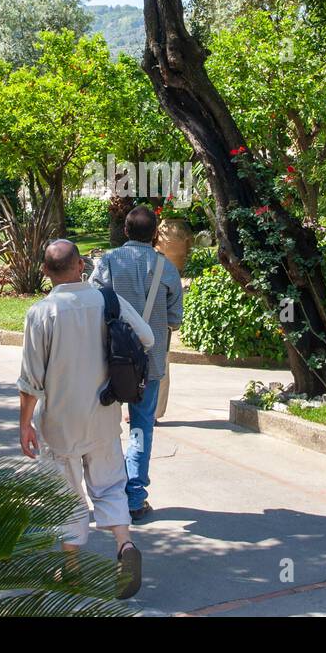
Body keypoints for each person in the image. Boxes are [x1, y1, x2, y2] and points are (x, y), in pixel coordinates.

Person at [17, 239, 154, 599]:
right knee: (109, 484)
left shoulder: (41, 313)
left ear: (45, 272)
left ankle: (72, 568)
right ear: (80, 265)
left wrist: (24, 424)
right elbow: (147, 337)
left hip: (59, 423)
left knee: (66, 494)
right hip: (104, 414)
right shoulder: (107, 300)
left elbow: (31, 379)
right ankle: (124, 546)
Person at [90, 205, 183, 523]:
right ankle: (134, 498)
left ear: (126, 232)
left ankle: (105, 495)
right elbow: (175, 320)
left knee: (104, 428)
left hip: (109, 360)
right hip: (149, 364)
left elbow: (93, 304)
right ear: (155, 234)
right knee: (141, 429)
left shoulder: (107, 262)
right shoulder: (166, 268)